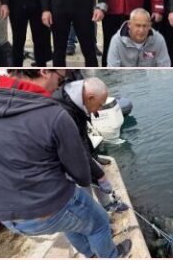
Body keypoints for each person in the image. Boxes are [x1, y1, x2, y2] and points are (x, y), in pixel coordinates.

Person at [0, 69, 131, 258]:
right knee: (99, 224)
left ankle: (90, 254)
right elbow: (81, 175)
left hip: (4, 216)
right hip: (45, 209)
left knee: (73, 223)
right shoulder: (54, 113)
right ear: (45, 72)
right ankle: (112, 256)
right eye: (60, 79)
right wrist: (99, 176)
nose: (60, 85)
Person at [53, 76, 130, 213]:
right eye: (100, 104)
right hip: (61, 159)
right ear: (90, 98)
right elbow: (76, 151)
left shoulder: (77, 103)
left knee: (95, 169)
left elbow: (83, 139)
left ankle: (108, 205)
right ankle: (93, 223)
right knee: (84, 186)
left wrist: (95, 163)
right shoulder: (64, 112)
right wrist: (100, 175)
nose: (100, 110)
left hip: (74, 151)